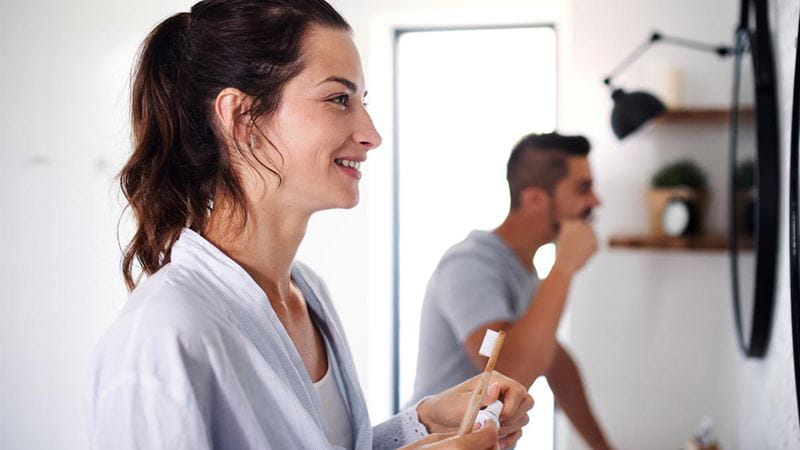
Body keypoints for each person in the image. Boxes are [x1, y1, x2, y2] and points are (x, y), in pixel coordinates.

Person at [87, 1, 533, 449]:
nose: (371, 134)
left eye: (362, 102)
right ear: (242, 118)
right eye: (339, 99)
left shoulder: (307, 294)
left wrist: (424, 423)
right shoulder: (164, 332)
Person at [411, 132, 612, 449]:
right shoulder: (469, 265)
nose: (595, 202)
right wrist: (564, 267)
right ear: (534, 199)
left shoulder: (523, 270)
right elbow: (507, 372)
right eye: (582, 189)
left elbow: (555, 364)